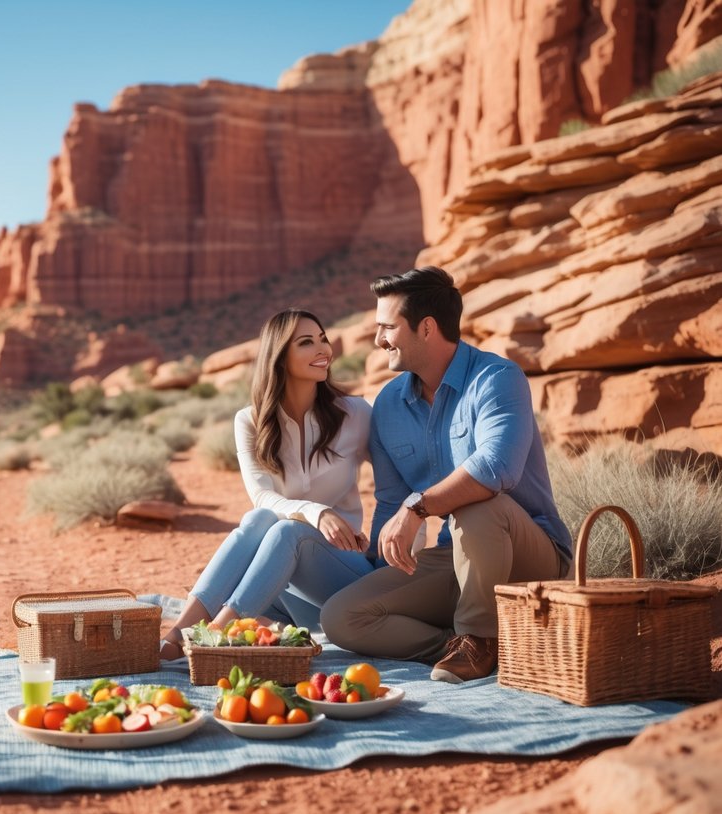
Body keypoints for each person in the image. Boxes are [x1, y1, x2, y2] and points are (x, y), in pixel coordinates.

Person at [320, 266, 572, 683]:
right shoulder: (389, 405)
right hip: (457, 557)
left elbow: (496, 468)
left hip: (530, 557)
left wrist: (417, 509)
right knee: (343, 616)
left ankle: (477, 636)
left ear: (427, 328)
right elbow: (389, 501)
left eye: (387, 327)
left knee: (478, 505)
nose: (379, 339)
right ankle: (465, 645)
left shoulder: (497, 378)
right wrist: (380, 568)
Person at [160, 308, 376, 660]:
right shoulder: (250, 420)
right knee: (259, 519)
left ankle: (214, 637)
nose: (324, 349)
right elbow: (261, 496)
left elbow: (393, 486)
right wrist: (315, 511)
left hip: (343, 577)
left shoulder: (355, 414)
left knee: (286, 531)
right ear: (279, 357)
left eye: (323, 339)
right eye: (307, 342)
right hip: (283, 593)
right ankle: (179, 633)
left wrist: (385, 545)